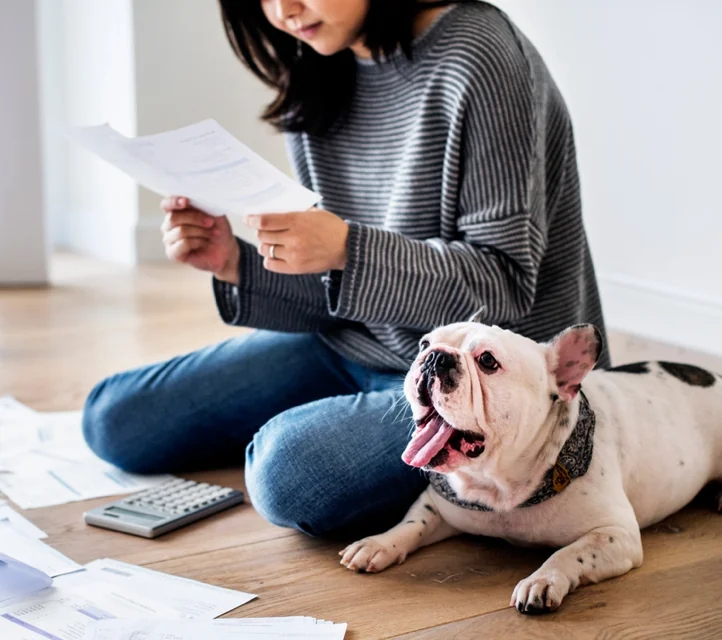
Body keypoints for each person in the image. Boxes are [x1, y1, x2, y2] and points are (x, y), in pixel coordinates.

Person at [82, 0, 610, 537]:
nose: (284, 10)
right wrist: (233, 261)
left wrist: (346, 249)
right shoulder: (317, 63)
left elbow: (502, 285)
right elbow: (339, 289)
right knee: (113, 419)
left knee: (288, 474)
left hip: (488, 380)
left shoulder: (479, 52)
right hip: (351, 341)